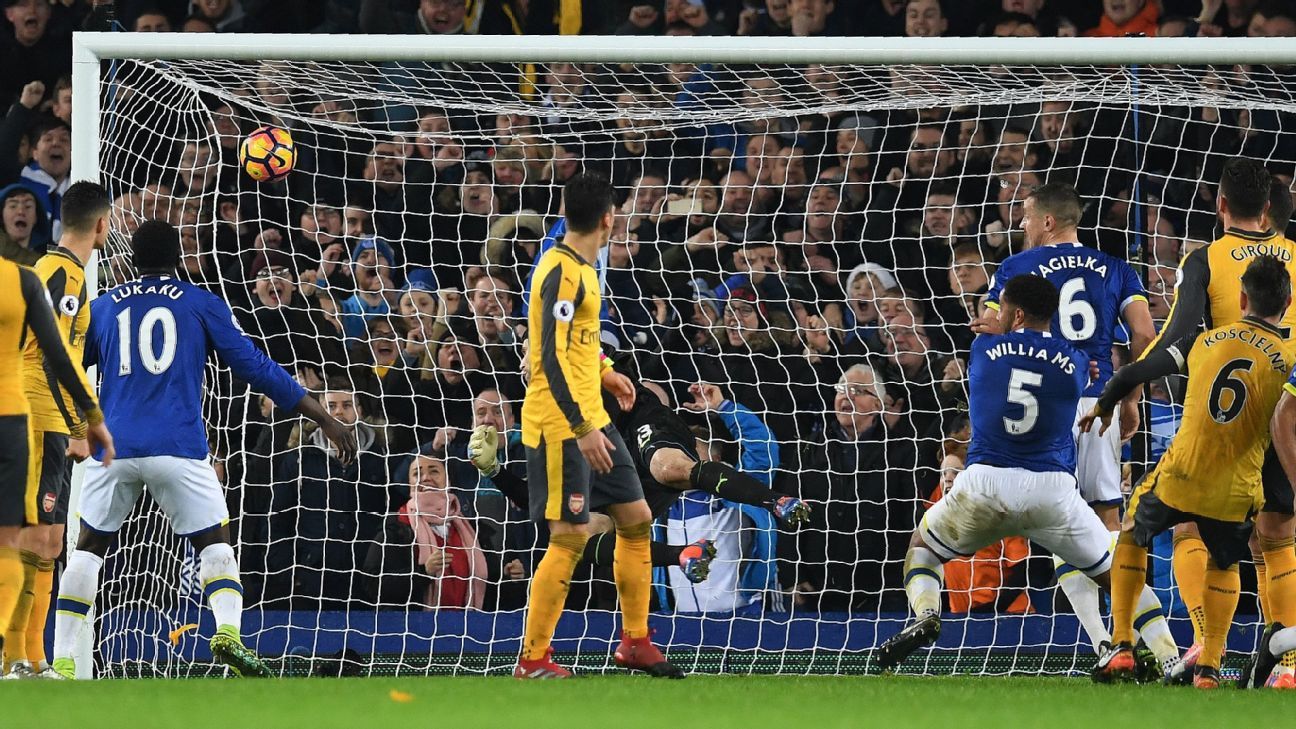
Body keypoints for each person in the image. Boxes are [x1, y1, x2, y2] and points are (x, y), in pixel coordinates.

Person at [50, 220, 357, 680]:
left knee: (88, 550)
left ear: (132, 259)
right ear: (179, 259)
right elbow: (256, 367)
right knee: (215, 545)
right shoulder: (199, 303)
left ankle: (62, 658)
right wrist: (324, 417)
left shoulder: (105, 306)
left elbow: (65, 367)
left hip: (114, 447)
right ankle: (228, 633)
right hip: (178, 447)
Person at [973, 183, 1178, 671]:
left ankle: (1103, 642)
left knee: (1059, 521)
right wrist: (1130, 398)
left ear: (1047, 221)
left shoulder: (1016, 268)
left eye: (1026, 215)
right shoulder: (1116, 268)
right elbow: (1146, 333)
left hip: (1046, 402)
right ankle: (1136, 639)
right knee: (1108, 518)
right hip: (1099, 401)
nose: (1021, 224)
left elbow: (992, 330)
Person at [875, 275, 1122, 673]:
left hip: (987, 481)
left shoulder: (983, 347)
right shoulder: (1075, 360)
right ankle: (1150, 649)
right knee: (1115, 572)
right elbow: (1076, 375)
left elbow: (1001, 359)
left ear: (1016, 313)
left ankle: (926, 613)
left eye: (1001, 307)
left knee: (922, 546)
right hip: (1051, 487)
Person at [1084, 255, 1296, 689]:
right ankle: (1210, 668)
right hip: (1236, 488)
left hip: (1181, 473)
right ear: (1288, 303)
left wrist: (1106, 404)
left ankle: (1121, 644)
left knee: (1131, 532)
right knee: (1225, 562)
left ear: (1241, 299)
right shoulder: (1288, 361)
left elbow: (1136, 370)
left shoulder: (1201, 341)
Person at [512, 172, 680, 679]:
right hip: (562, 424)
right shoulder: (560, 271)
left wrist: (606, 371)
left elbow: (577, 343)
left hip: (593, 418)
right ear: (609, 219)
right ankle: (532, 659)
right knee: (569, 537)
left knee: (636, 518)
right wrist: (582, 427)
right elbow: (548, 355)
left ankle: (636, 643)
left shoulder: (584, 268)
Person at [1141, 158, 1296, 682]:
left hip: (1225, 412)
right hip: (1287, 401)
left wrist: (1131, 380)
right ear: (1269, 207)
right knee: (1277, 537)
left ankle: (1207, 650)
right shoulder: (1295, 255)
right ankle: (1288, 666)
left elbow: (1177, 334)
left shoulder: (1206, 257)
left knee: (1191, 525)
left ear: (1221, 204)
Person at [3, 183, 109, 680]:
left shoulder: (57, 270)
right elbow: (48, 356)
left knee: (48, 542)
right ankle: (13, 658)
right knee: (33, 538)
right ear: (102, 226)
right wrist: (78, 426)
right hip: (40, 419)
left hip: (45, 419)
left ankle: (34, 659)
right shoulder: (63, 274)